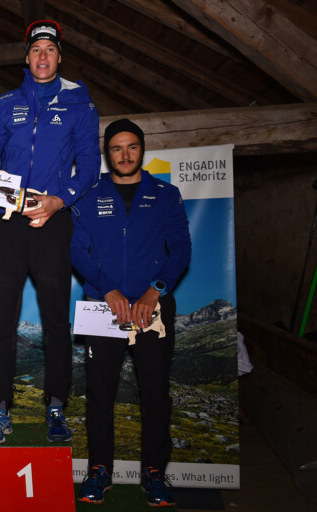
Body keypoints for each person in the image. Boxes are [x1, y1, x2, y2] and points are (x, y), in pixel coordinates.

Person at [0, 19, 100, 444]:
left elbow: (89, 167)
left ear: (59, 57)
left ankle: (56, 407)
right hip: (8, 224)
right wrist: (1, 200)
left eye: (49, 49)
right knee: (1, 323)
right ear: (26, 58)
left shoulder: (80, 104)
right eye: (35, 50)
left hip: (52, 221)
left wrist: (58, 201)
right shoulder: (6, 103)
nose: (42, 56)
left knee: (55, 322)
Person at [71, 119, 191, 507]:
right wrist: (107, 289)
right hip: (101, 305)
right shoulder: (89, 194)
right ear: (108, 153)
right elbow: (77, 250)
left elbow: (181, 249)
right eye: (117, 148)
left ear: (142, 150)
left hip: (151, 308)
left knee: (155, 392)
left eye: (132, 147)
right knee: (99, 394)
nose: (125, 155)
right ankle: (99, 471)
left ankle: (154, 472)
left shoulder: (166, 194)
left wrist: (155, 290)